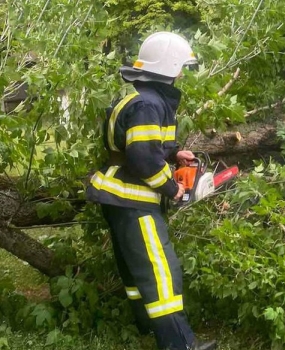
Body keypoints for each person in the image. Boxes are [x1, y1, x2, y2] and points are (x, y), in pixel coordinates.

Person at [86, 32, 217, 350]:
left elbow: (149, 144)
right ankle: (179, 344)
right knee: (160, 269)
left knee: (136, 265)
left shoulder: (143, 97)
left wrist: (174, 154)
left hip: (119, 196)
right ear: (169, 65)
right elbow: (143, 158)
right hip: (134, 198)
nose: (183, 72)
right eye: (181, 66)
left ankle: (146, 326)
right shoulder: (148, 103)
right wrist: (174, 189)